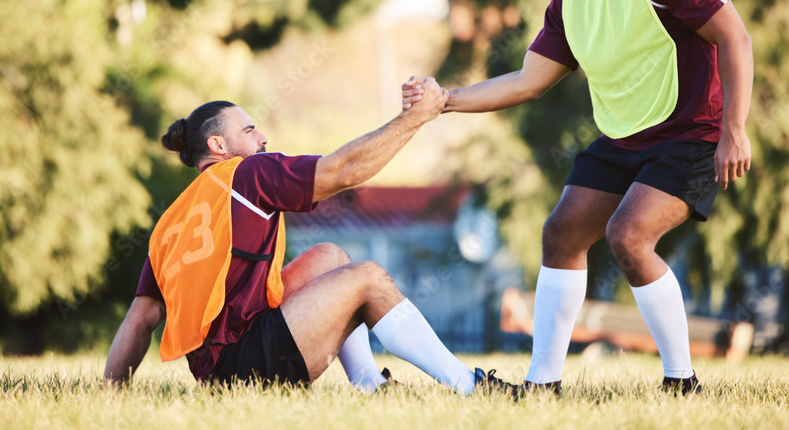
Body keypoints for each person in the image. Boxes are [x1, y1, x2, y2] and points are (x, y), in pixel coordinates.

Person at [403, 0, 753, 396]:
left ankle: (683, 381)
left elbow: (735, 36)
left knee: (628, 237)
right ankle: (543, 385)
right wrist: (445, 100)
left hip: (689, 136)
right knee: (561, 234)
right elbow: (527, 81)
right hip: (621, 140)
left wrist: (735, 129)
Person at [104, 78, 517, 396]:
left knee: (330, 256)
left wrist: (111, 395)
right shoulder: (246, 173)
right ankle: (470, 385)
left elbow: (140, 319)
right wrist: (417, 117)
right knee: (368, 278)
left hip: (220, 371)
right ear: (218, 145)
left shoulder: (172, 221)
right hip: (248, 363)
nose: (262, 139)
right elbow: (343, 172)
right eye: (249, 131)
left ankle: (371, 385)